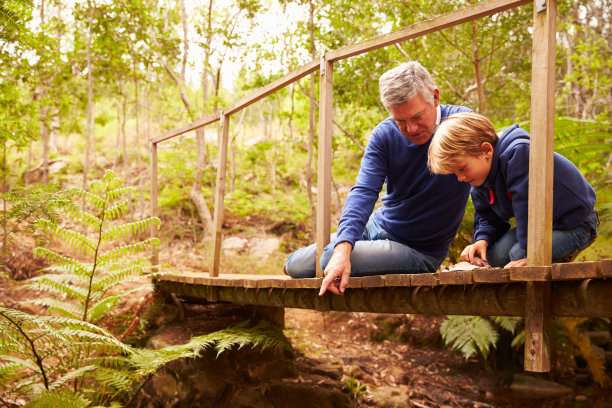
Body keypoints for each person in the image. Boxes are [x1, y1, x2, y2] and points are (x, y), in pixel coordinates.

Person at [284, 61, 472, 296]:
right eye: (400, 121)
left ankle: (341, 253)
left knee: (325, 262)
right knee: (297, 265)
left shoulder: (461, 124)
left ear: (435, 97)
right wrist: (344, 248)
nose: (411, 129)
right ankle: (341, 250)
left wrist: (485, 237)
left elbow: (488, 178)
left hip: (416, 250)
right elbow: (363, 191)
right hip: (376, 225)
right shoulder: (384, 134)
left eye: (417, 117)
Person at [427, 112, 598, 268]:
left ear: (486, 150)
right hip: (541, 226)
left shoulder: (518, 153)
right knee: (494, 258)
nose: (460, 178)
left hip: (576, 223)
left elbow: (529, 209)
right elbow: (488, 216)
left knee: (517, 255)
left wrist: (529, 257)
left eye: (462, 169)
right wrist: (482, 239)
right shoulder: (480, 176)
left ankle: (558, 273)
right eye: (455, 173)